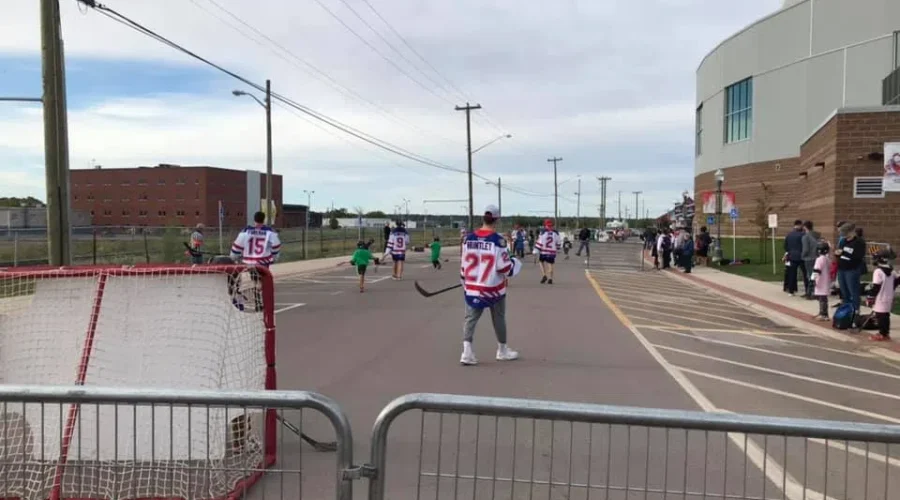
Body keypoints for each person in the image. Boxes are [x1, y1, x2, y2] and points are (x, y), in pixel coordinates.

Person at [460, 204, 523, 365]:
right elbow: (504, 268)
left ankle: (467, 352)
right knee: (499, 318)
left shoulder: (468, 239)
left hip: (472, 287)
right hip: (493, 288)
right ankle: (502, 350)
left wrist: (464, 281)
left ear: (483, 218)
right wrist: (515, 262)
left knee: (470, 319)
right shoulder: (498, 241)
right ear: (496, 220)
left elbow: (464, 265)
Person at [230, 211, 282, 311]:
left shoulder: (246, 231)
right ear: (264, 219)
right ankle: (262, 301)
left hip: (249, 261)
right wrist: (275, 256)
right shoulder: (269, 232)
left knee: (255, 280)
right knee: (262, 281)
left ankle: (258, 302)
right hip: (263, 262)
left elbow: (237, 245)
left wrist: (234, 256)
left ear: (254, 219)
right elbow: (276, 245)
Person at [835, 222, 865, 315]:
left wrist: (844, 253)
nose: (844, 236)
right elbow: (839, 252)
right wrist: (837, 254)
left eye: (845, 233)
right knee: (844, 291)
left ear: (851, 232)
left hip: (852, 269)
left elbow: (858, 257)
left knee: (853, 290)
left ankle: (856, 310)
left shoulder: (859, 242)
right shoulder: (843, 241)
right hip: (841, 269)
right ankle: (847, 309)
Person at [868, 249, 897, 341]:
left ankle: (883, 334)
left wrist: (871, 297)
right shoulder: (892, 271)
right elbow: (896, 282)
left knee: (881, 316)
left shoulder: (878, 271)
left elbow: (876, 286)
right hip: (889, 296)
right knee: (885, 315)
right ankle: (885, 333)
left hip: (880, 297)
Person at [782, 219, 806, 296]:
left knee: (792, 274)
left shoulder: (789, 235)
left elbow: (785, 246)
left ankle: (791, 291)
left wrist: (789, 252)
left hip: (791, 256)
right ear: (799, 225)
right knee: (805, 274)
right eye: (802, 225)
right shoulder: (803, 235)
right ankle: (807, 290)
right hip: (801, 256)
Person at [811, 241, 832, 322]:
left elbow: (817, 270)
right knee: (823, 298)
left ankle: (823, 314)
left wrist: (812, 279)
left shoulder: (819, 259)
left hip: (820, 281)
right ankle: (823, 313)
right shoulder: (827, 259)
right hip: (826, 281)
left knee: (822, 299)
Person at [536, 219, 561, 284]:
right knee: (550, 264)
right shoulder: (556, 232)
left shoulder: (543, 232)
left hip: (544, 250)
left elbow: (540, 241)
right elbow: (558, 241)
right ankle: (550, 279)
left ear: (545, 225)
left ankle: (544, 275)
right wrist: (558, 248)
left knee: (541, 262)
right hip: (552, 251)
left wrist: (537, 248)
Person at [800, 221, 820, 299]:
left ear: (805, 227)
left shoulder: (806, 237)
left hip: (809, 258)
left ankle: (811, 293)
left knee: (810, 275)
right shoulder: (817, 236)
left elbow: (805, 249)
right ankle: (815, 292)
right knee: (815, 275)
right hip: (817, 257)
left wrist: (802, 256)